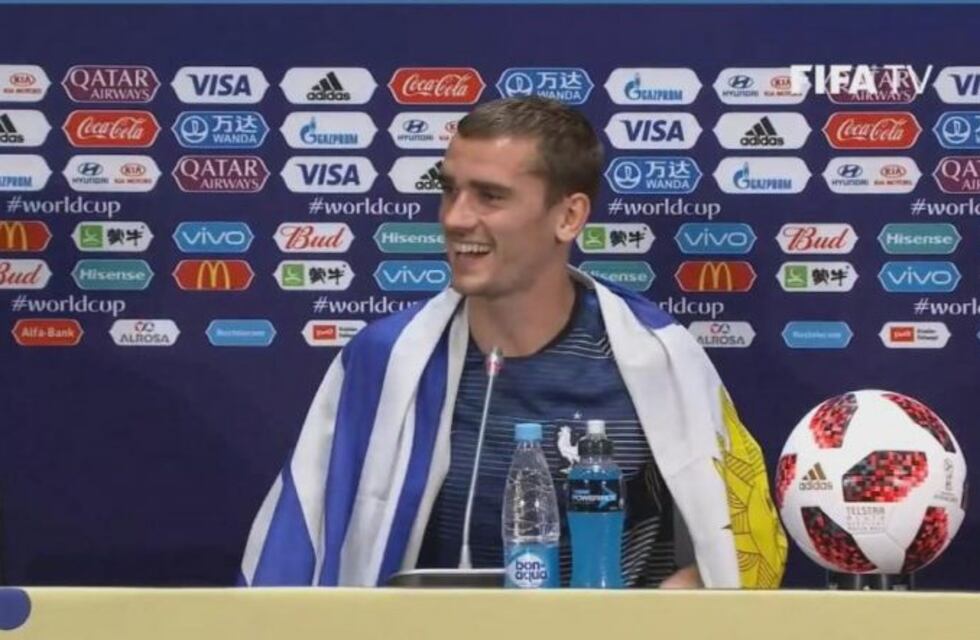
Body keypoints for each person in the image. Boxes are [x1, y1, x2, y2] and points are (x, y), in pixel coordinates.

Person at [239, 96, 787, 588]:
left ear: (569, 216)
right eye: (448, 190)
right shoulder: (384, 361)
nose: (455, 219)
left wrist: (676, 602)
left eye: (490, 197)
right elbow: (295, 552)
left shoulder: (659, 360)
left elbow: (740, 539)